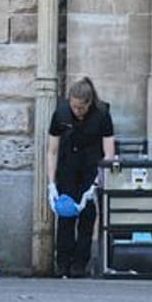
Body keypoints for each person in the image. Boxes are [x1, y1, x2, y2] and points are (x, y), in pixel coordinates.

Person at [46, 77, 117, 278]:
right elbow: (52, 150)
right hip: (67, 168)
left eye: (80, 108)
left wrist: (97, 182)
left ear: (88, 103)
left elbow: (109, 152)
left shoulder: (102, 114)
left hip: (91, 170)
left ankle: (80, 264)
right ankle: (62, 263)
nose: (77, 111)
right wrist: (51, 183)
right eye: (73, 107)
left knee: (87, 218)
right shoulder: (60, 114)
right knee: (66, 216)